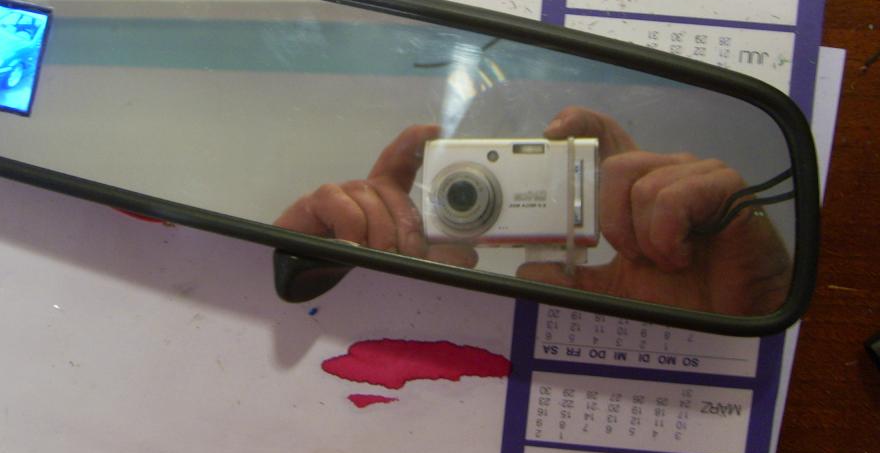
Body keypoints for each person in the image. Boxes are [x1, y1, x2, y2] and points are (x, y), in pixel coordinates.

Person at [275, 107, 793, 317]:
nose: (464, 197)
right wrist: (294, 263)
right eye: (460, 190)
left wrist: (753, 303)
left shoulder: (709, 288)